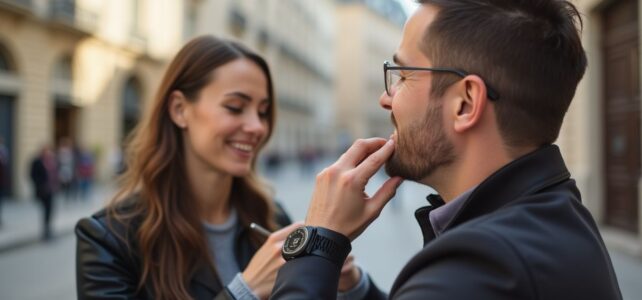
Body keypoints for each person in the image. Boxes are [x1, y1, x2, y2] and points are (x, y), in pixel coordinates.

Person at [271, 1, 622, 299]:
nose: (385, 98)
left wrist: (315, 243)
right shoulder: (552, 211)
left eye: (403, 75)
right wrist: (357, 286)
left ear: (465, 104)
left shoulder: (480, 266)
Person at [75, 36, 369, 300]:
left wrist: (347, 285)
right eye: (235, 107)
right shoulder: (108, 240)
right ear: (179, 110)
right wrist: (244, 292)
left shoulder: (270, 216)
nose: (257, 127)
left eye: (263, 111)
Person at [30, 145, 58, 241]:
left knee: (50, 211)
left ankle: (48, 230)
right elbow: (32, 175)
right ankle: (45, 231)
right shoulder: (37, 162)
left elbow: (55, 173)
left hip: (51, 190)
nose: (48, 153)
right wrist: (40, 185)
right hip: (42, 191)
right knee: (45, 210)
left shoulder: (52, 161)